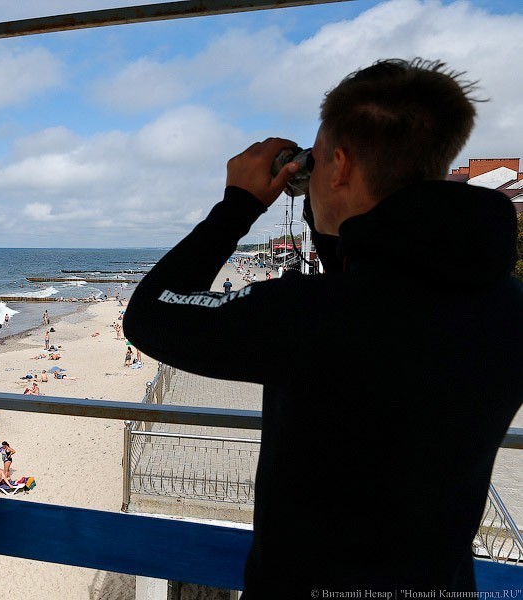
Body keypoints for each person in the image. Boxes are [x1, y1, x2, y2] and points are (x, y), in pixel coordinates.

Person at [123, 58, 522, 597]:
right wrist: (338, 222)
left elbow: (151, 314)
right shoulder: (505, 306)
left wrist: (238, 205)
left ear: (338, 166)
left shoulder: (308, 314)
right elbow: (388, 275)